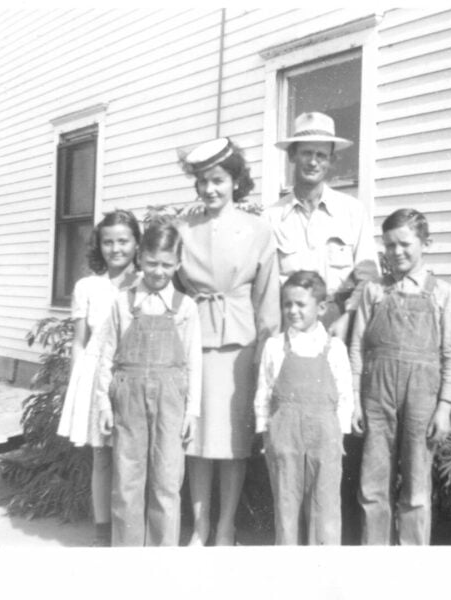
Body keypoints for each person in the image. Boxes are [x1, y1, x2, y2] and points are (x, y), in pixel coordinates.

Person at [175, 137, 281, 546]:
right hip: (195, 341)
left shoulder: (258, 231)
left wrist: (264, 353)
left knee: (234, 441)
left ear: (235, 180)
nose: (210, 190)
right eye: (202, 182)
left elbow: (267, 300)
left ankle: (226, 526)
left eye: (218, 180)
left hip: (241, 343)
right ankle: (200, 526)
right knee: (199, 438)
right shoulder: (183, 230)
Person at [349, 208, 451, 545]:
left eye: (404, 244)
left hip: (422, 398)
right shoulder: (374, 291)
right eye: (389, 245)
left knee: (415, 485)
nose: (396, 252)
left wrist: (444, 407)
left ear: (425, 243)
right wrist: (356, 400)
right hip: (376, 395)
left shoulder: (442, 293)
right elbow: (357, 348)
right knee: (373, 484)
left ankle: (412, 566)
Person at [93, 218, 202, 546]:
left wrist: (191, 411)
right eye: (152, 263)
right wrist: (103, 404)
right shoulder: (123, 304)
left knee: (167, 482)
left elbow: (194, 362)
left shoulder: (186, 308)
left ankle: (161, 563)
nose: (158, 271)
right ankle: (127, 562)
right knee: (127, 482)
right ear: (139, 258)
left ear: (178, 264)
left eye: (167, 265)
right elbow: (106, 356)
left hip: (171, 400)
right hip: (128, 398)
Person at [56, 210, 140, 546]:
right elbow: (79, 342)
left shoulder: (148, 281)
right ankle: (103, 532)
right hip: (96, 376)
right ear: (99, 246)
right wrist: (77, 388)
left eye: (123, 241)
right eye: (108, 242)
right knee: (102, 456)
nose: (116, 248)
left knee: (133, 454)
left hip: (133, 373)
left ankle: (133, 528)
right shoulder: (88, 286)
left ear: (136, 242)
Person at [254, 270, 353, 545]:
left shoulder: (334, 348)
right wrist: (265, 430)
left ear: (321, 308)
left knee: (325, 505)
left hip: (326, 435)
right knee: (286, 503)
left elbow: (345, 395)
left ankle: (323, 568)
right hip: (284, 433)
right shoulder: (275, 346)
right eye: (287, 304)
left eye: (300, 304)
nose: (292, 311)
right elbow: (263, 392)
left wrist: (340, 434)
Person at [264, 111, 378, 340]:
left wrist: (348, 317)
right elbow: (265, 287)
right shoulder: (271, 218)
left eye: (321, 155)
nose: (313, 162)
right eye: (306, 153)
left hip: (339, 319)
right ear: (292, 156)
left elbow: (369, 275)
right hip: (289, 321)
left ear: (331, 160)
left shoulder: (352, 212)